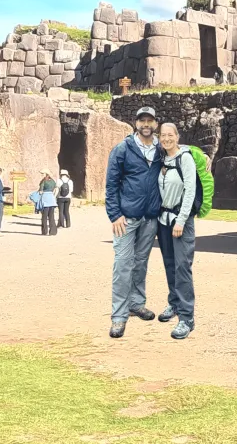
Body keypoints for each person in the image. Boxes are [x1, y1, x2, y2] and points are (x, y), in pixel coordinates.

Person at [105, 106, 164, 339]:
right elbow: (111, 185)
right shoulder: (123, 149)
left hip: (150, 216)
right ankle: (119, 316)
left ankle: (136, 303)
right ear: (135, 123)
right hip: (126, 217)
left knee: (141, 262)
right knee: (122, 265)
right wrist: (114, 214)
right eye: (142, 120)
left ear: (156, 124)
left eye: (150, 120)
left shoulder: (162, 149)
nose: (146, 124)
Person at [155, 123, 198, 340]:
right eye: (163, 135)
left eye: (170, 135)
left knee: (182, 267)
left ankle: (187, 317)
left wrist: (181, 220)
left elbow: (190, 190)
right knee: (170, 264)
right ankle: (174, 303)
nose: (166, 138)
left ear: (177, 136)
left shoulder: (185, 158)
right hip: (164, 220)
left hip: (181, 221)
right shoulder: (162, 160)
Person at [39, 169, 58, 236]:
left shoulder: (43, 181)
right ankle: (53, 231)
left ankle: (44, 231)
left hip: (45, 199)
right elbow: (56, 189)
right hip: (52, 199)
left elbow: (40, 191)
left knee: (44, 217)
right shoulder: (52, 181)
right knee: (51, 216)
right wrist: (54, 196)